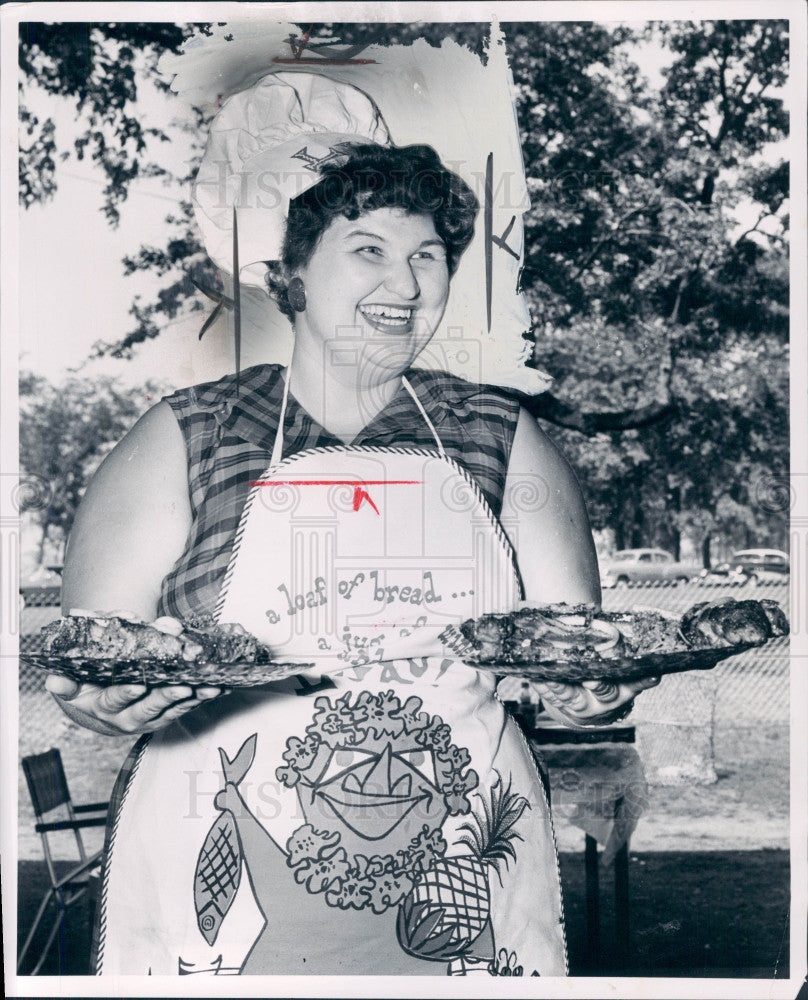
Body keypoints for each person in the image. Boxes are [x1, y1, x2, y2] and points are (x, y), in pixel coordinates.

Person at [46, 72, 655, 978]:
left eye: (428, 256)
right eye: (366, 249)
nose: (404, 283)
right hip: (223, 867)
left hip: (459, 870)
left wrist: (594, 691)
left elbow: (581, 651)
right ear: (291, 273)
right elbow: (88, 657)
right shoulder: (186, 432)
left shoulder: (501, 431)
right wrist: (95, 697)